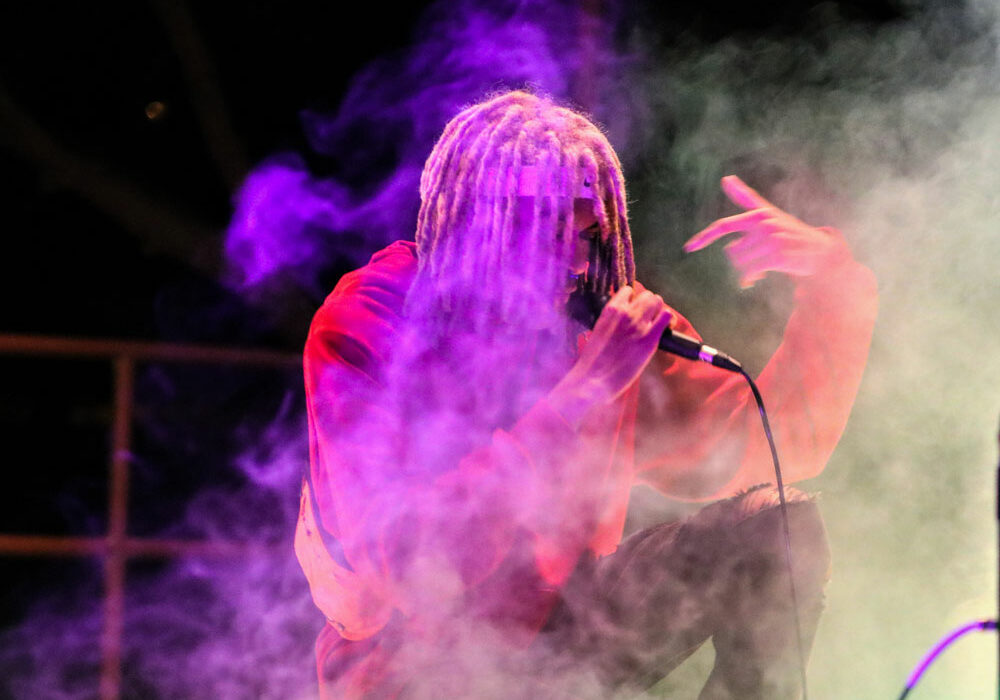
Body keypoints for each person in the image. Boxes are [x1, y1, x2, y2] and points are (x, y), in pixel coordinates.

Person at [294, 90, 877, 699]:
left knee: (773, 529)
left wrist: (831, 287)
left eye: (588, 234)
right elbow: (412, 564)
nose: (576, 261)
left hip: (569, 640)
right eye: (550, 231)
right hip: (424, 667)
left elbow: (767, 444)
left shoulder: (593, 325)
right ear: (481, 219)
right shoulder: (373, 320)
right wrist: (583, 392)